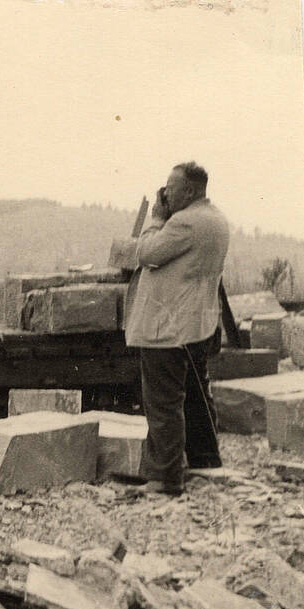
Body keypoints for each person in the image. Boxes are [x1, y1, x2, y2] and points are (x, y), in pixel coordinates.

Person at [124, 161, 230, 495]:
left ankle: (164, 478)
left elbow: (146, 253)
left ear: (190, 191)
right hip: (196, 324)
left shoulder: (184, 222)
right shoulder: (215, 219)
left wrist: (157, 217)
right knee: (196, 396)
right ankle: (204, 461)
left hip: (166, 329)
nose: (165, 192)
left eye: (171, 187)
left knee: (163, 403)